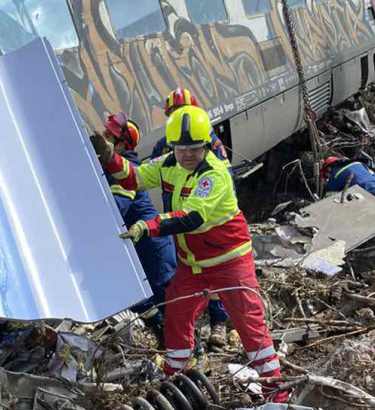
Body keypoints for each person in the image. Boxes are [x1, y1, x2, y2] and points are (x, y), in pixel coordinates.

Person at [92, 106, 288, 403]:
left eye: (194, 148)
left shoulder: (214, 174)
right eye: (181, 148)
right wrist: (109, 156)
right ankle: (177, 375)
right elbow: (135, 177)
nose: (186, 154)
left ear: (206, 145)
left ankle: (277, 392)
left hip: (229, 262)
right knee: (177, 313)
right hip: (194, 264)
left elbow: (192, 217)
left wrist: (148, 226)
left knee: (249, 324)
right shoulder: (169, 163)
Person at [150, 88, 231, 347]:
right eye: (174, 113)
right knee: (183, 274)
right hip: (176, 222)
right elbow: (155, 173)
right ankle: (189, 330)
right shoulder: (163, 146)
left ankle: (219, 322)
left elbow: (225, 180)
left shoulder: (210, 143)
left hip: (203, 221)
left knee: (213, 270)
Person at [102, 112, 177, 345]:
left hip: (155, 248)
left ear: (121, 145)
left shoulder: (128, 169)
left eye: (108, 136)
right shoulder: (111, 168)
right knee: (140, 298)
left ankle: (190, 352)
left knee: (169, 304)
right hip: (140, 246)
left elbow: (117, 207)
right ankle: (166, 340)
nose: (103, 139)